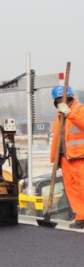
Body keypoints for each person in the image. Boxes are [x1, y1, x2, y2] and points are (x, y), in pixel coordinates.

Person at [50, 85, 84, 229]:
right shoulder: (59, 116)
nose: (60, 102)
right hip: (66, 159)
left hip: (81, 157)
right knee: (72, 190)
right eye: (57, 100)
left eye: (61, 99)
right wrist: (55, 159)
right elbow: (57, 138)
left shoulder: (80, 109)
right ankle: (81, 217)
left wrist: (69, 113)